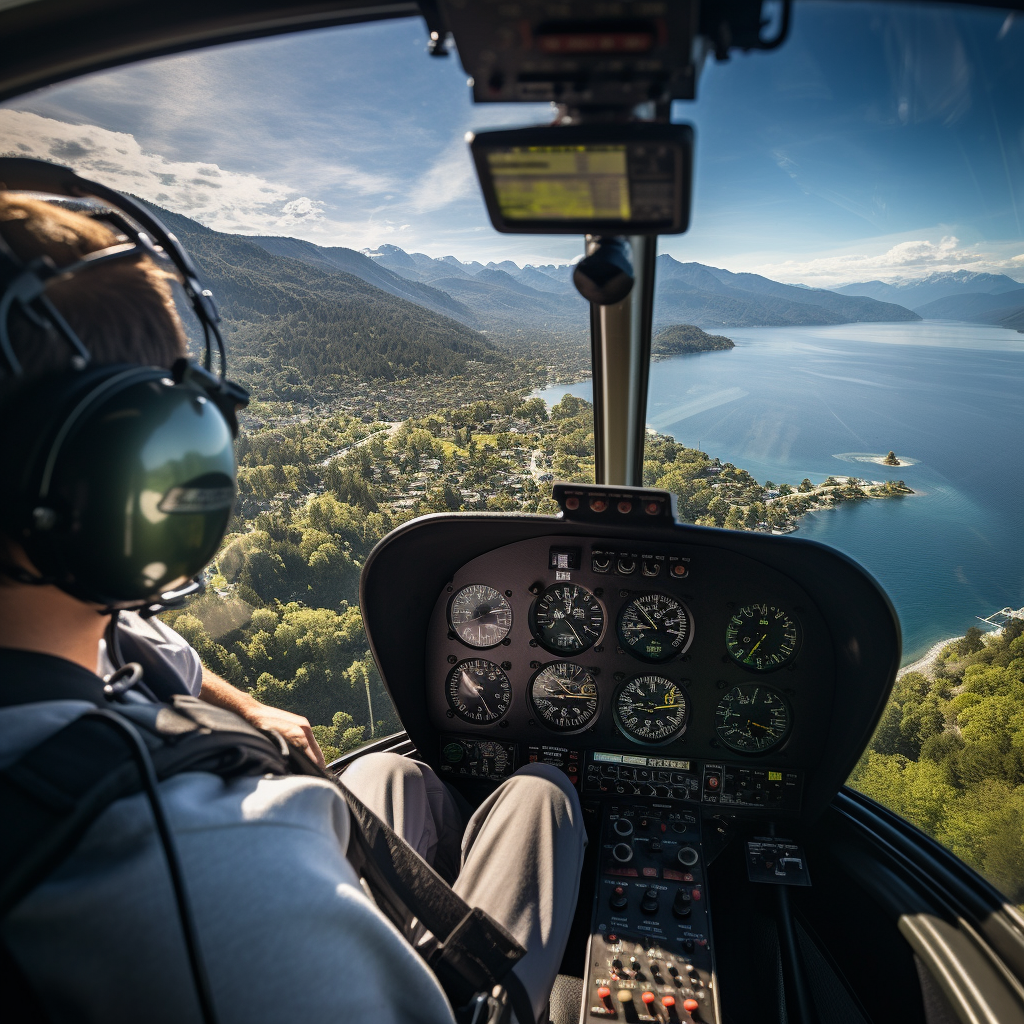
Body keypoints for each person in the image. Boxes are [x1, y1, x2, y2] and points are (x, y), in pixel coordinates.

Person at [0, 184, 586, 1023]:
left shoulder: (87, 636)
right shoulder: (199, 869)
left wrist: (251, 707)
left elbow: (144, 646)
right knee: (539, 795)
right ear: (135, 479)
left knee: (385, 770)